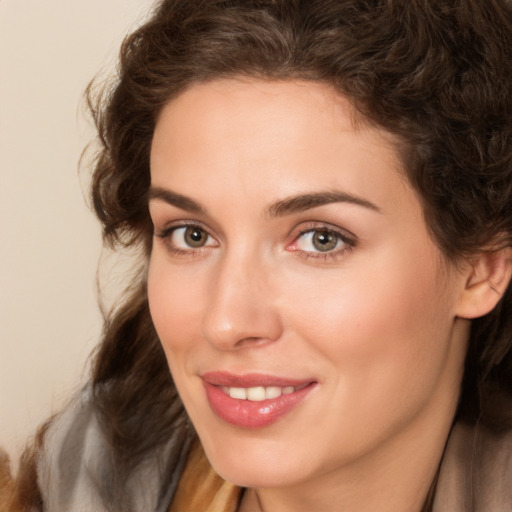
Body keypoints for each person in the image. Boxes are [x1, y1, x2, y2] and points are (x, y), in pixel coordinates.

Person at [5, 0, 512, 510]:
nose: (226, 322)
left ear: (481, 268)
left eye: (321, 239)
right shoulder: (87, 475)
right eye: (191, 235)